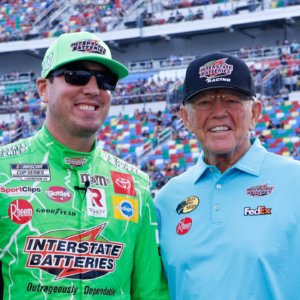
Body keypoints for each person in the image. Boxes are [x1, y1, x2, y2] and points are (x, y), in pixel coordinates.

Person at [0, 32, 169, 300]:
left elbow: (150, 292)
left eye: (105, 81)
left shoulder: (136, 185)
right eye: (76, 76)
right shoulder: (2, 170)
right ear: (44, 88)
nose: (93, 89)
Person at [155, 52, 300, 300]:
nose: (219, 111)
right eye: (204, 102)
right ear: (186, 119)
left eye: (232, 100)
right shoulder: (166, 200)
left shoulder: (295, 181)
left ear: (255, 113)